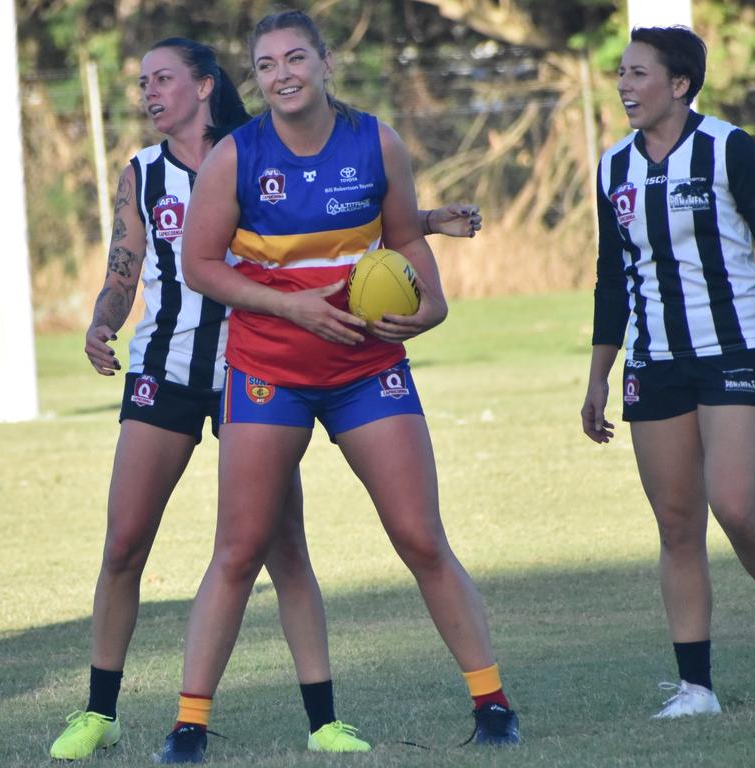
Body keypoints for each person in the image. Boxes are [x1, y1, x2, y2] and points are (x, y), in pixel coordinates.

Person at [49, 36, 483, 760]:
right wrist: (101, 320)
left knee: (282, 549)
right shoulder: (145, 175)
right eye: (142, 83)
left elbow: (337, 219)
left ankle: (322, 721)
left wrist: (427, 222)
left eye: (162, 79)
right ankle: (100, 711)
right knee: (125, 541)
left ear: (203, 85)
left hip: (258, 373)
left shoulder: (254, 150)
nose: (149, 93)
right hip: (172, 368)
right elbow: (125, 262)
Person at [153, 11, 519, 764]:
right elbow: (201, 265)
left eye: (295, 58)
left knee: (420, 537)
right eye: (265, 65)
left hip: (365, 370)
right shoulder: (234, 155)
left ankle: (493, 705)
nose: (281, 74)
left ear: (324, 63)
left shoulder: (375, 140)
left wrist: (434, 303)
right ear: (252, 79)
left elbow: (405, 236)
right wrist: (291, 306)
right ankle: (188, 727)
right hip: (269, 373)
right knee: (238, 548)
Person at [581, 25, 755, 719]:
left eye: (638, 73)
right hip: (655, 363)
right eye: (620, 73)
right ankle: (696, 689)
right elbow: (609, 281)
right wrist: (599, 375)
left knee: (736, 505)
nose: (624, 85)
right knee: (677, 526)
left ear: (679, 85)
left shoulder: (726, 148)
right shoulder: (612, 168)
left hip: (738, 348)